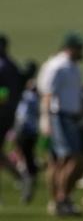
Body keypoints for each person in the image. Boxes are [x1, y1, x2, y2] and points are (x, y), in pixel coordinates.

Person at [38, 32, 83, 217]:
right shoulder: (58, 65)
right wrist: (46, 120)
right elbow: (48, 94)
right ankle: (60, 199)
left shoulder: (71, 66)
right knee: (69, 158)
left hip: (69, 116)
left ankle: (60, 200)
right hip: (59, 116)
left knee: (60, 161)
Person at [12, 62, 39, 203]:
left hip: (25, 130)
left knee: (25, 157)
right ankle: (27, 179)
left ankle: (26, 181)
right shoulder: (32, 92)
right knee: (25, 157)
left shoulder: (27, 94)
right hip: (29, 131)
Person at [0, 34, 23, 196]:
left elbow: (3, 94)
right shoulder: (11, 64)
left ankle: (22, 177)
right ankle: (21, 177)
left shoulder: (3, 66)